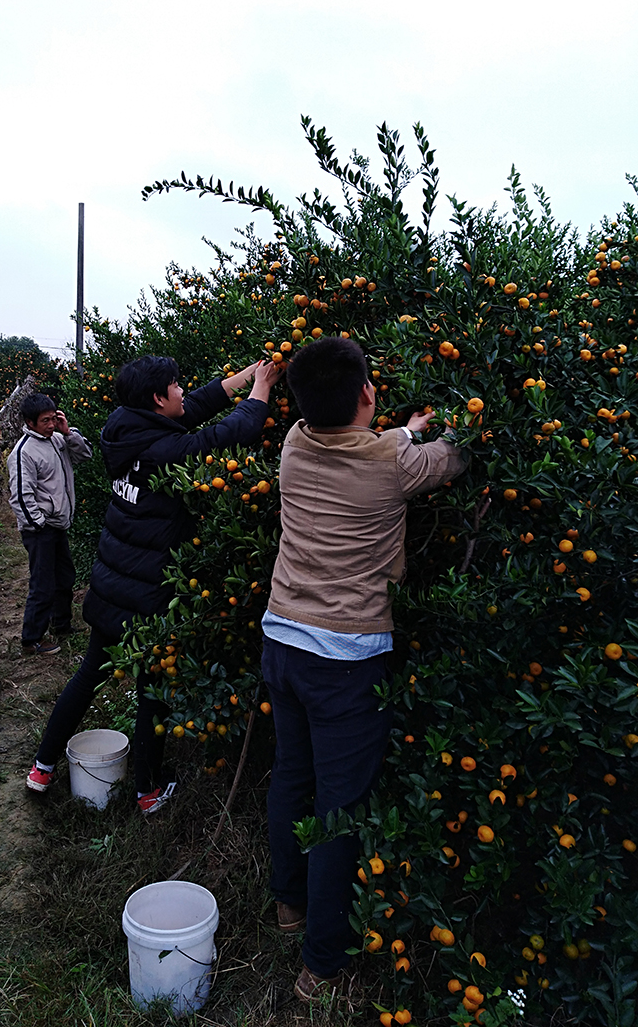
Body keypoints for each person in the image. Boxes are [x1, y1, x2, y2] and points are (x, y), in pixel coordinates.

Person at [260, 336, 467, 1002]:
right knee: (338, 810)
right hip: (344, 662)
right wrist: (442, 426)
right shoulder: (391, 466)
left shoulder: (294, 443)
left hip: (282, 644)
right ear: (368, 395)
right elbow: (451, 457)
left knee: (292, 776)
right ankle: (320, 964)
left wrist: (401, 430)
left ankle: (288, 905)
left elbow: (375, 445)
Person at [26, 355, 284, 808]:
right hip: (147, 595)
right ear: (156, 398)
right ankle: (147, 791)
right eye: (175, 385)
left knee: (88, 675)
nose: (183, 390)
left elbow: (193, 409)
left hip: (111, 584)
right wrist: (259, 394)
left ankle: (42, 768)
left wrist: (244, 378)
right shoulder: (164, 452)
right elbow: (224, 434)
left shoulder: (123, 429)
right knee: (153, 690)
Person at [7, 393, 93, 656]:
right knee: (42, 584)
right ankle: (31, 641)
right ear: (30, 423)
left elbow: (85, 455)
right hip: (40, 529)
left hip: (57, 525)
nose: (51, 424)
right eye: (45, 421)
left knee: (64, 577)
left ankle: (61, 624)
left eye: (54, 418)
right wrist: (39, 524)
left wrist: (69, 433)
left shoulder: (58, 440)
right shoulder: (23, 452)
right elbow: (21, 496)